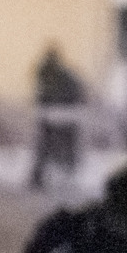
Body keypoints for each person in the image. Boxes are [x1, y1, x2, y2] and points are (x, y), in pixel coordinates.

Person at [30, 45, 85, 190]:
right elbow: (43, 93)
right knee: (49, 145)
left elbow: (73, 92)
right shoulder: (50, 72)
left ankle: (57, 175)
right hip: (55, 115)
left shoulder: (59, 74)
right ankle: (43, 176)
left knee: (53, 145)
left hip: (61, 115)